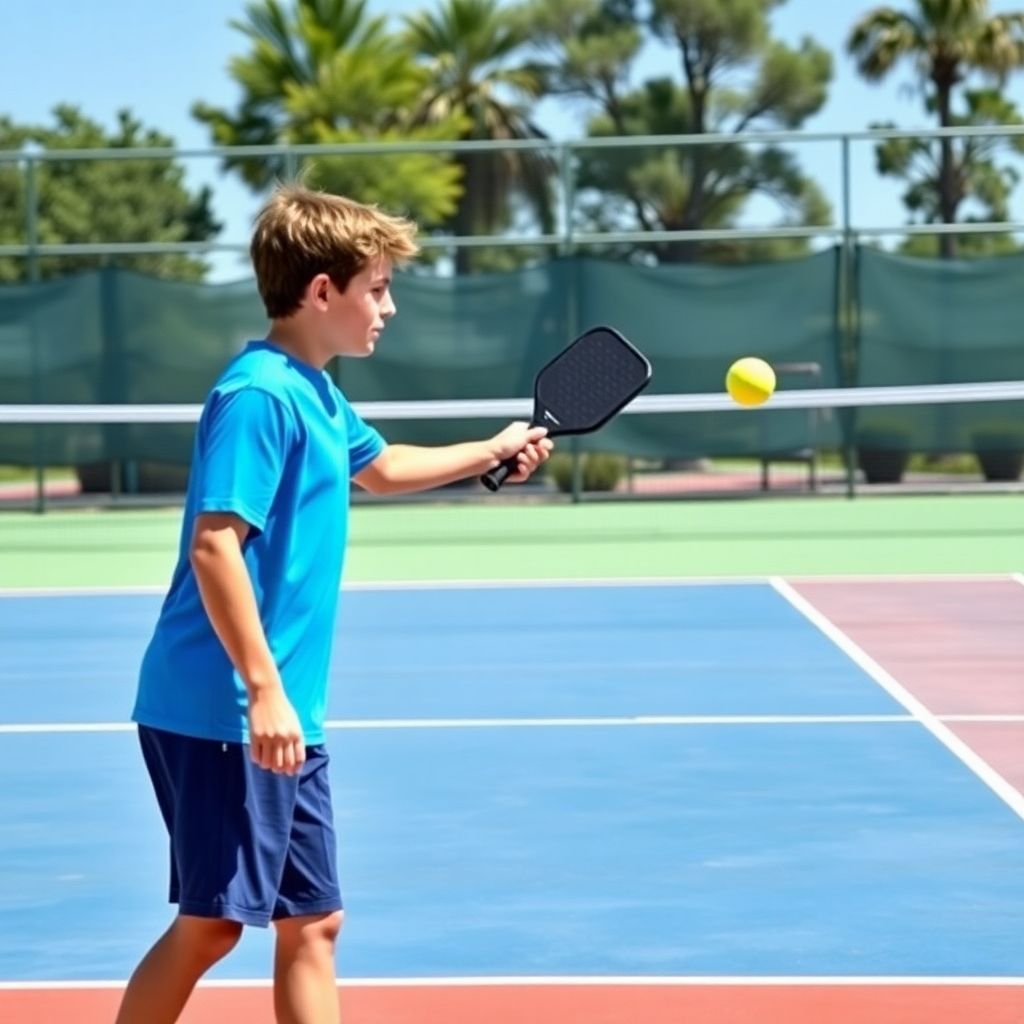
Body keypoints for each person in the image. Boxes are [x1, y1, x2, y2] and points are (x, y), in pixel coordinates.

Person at [116, 184, 553, 1024]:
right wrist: (263, 690)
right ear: (324, 292)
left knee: (313, 923)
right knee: (210, 927)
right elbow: (215, 548)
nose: (388, 307)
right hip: (226, 711)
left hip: (284, 714)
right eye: (377, 288)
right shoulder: (260, 397)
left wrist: (493, 448)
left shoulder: (315, 390)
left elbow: (381, 469)